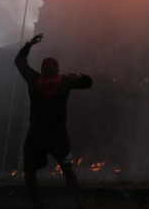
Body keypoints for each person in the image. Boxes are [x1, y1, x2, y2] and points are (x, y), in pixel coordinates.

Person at [14, 33, 92, 209]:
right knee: (29, 171)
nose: (49, 65)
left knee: (68, 167)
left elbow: (88, 83)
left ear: (57, 68)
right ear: (42, 68)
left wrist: (79, 75)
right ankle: (36, 201)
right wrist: (29, 44)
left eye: (52, 64)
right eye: (46, 64)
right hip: (36, 134)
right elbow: (19, 61)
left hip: (59, 135)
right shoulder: (34, 79)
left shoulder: (65, 81)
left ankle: (78, 201)